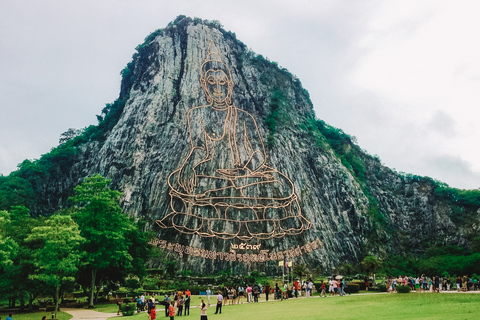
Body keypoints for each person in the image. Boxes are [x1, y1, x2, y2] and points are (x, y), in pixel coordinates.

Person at [156, 40, 312, 241]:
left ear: (230, 84)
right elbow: (200, 147)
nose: (217, 88)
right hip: (212, 174)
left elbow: (258, 153)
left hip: (244, 175)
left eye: (222, 82)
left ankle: (227, 206)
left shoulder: (244, 116)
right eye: (211, 82)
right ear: (204, 84)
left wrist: (245, 170)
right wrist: (189, 164)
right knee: (188, 182)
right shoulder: (197, 114)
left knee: (280, 183)